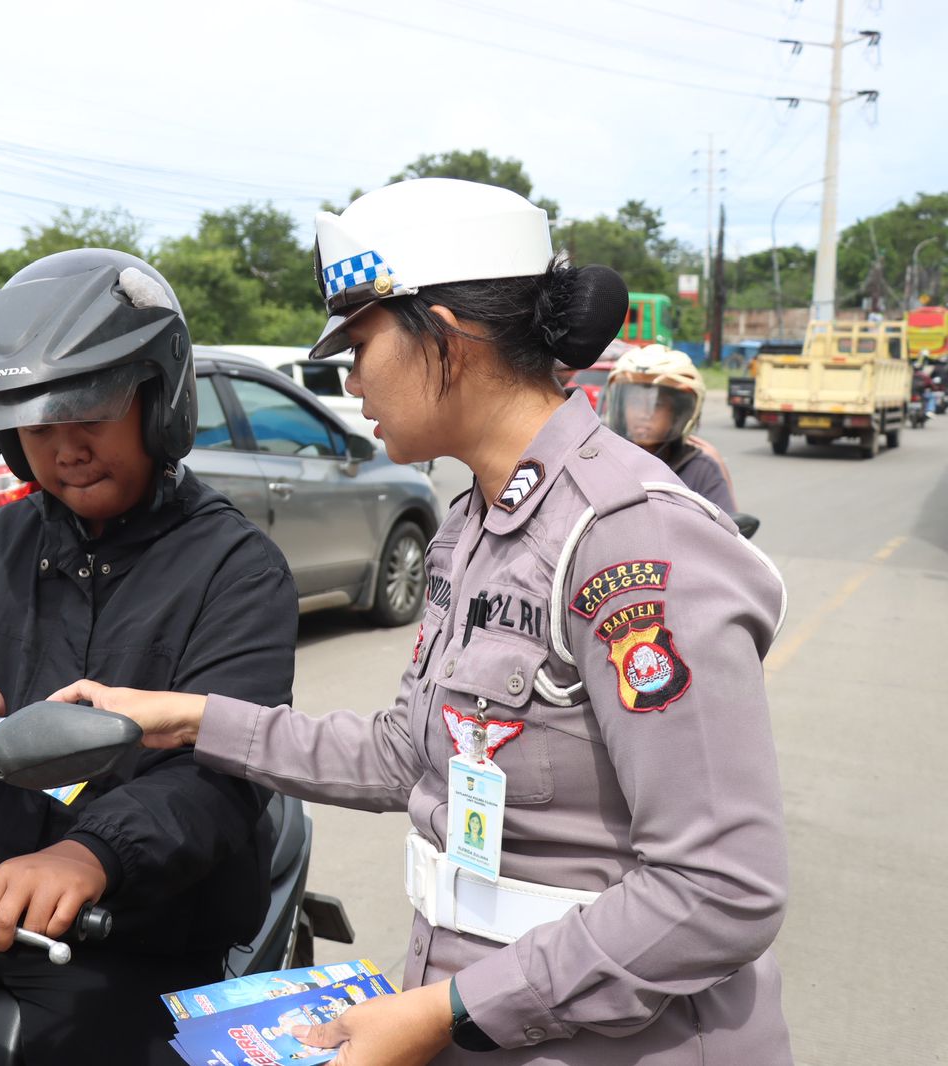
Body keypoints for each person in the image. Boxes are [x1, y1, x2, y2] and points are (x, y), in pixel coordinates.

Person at [52, 178, 793, 1065]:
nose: (348, 377)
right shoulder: (469, 526)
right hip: (477, 1019)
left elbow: (719, 889)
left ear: (444, 331)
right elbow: (408, 753)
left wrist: (451, 1012)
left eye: (360, 342)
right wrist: (185, 719)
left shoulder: (628, 538)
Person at [0, 249, 298, 1064]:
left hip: (135, 929)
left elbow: (226, 772)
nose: (66, 449)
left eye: (90, 416)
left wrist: (90, 854)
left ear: (158, 403)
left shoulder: (236, 568)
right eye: (39, 426)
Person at [599, 343, 737, 512]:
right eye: (634, 402)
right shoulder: (601, 461)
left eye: (657, 404)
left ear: (678, 413)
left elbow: (724, 525)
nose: (644, 413)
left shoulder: (699, 470)